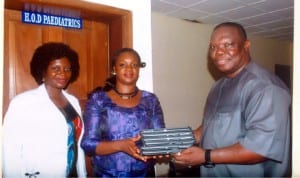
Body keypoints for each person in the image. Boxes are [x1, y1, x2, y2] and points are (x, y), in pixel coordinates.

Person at [173, 22, 291, 177]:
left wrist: (204, 156)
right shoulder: (218, 86)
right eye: (213, 47)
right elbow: (209, 128)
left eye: (227, 45)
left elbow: (259, 149)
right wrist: (166, 141)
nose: (218, 52)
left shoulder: (265, 87)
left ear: (246, 46)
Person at [2, 42, 87, 177]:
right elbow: (10, 151)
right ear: (42, 70)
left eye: (67, 69)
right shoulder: (22, 103)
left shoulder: (73, 101)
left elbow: (76, 143)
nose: (63, 74)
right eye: (55, 68)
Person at [81, 47, 165, 177]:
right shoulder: (98, 100)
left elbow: (159, 138)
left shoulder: (151, 100)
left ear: (138, 69)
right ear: (114, 69)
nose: (129, 69)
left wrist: (162, 148)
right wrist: (121, 145)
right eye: (123, 65)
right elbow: (88, 144)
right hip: (107, 175)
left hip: (144, 173)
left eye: (134, 65)